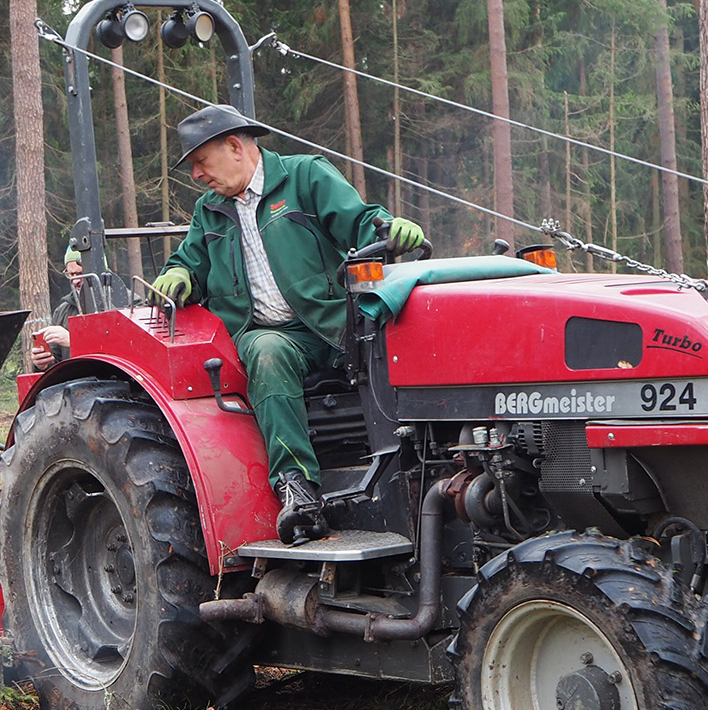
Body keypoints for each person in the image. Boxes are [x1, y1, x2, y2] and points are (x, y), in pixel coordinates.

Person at [152, 104, 424, 545]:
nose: (197, 176)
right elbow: (191, 262)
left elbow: (359, 222)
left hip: (337, 325)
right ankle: (297, 489)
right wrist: (179, 273)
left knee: (405, 330)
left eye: (201, 163)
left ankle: (421, 470)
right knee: (266, 350)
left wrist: (390, 227)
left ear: (235, 147)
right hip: (275, 337)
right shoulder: (210, 211)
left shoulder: (304, 177)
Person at [26, 246, 96, 371]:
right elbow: (56, 365)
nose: (75, 281)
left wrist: (73, 341)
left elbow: (124, 351)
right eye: (71, 274)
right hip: (73, 385)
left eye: (80, 273)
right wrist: (42, 364)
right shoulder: (63, 311)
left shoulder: (126, 305)